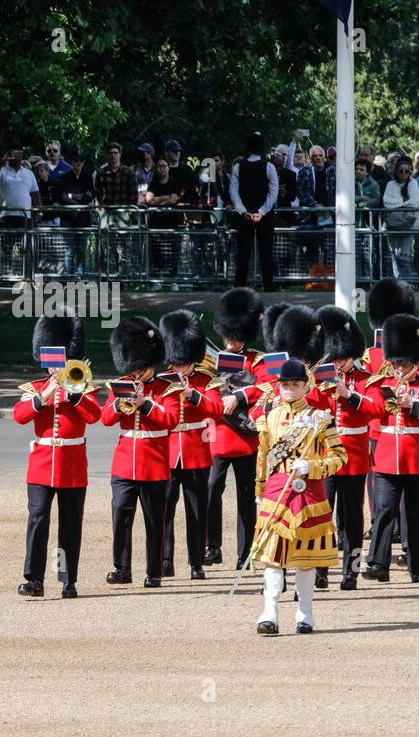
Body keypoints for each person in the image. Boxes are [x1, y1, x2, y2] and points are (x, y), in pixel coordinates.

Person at [252, 359, 347, 635]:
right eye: (285, 385)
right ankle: (269, 612)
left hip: (309, 488)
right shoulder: (269, 417)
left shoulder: (320, 418)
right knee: (272, 555)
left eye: (295, 384)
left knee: (306, 557)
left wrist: (313, 467)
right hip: (277, 489)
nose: (289, 389)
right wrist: (260, 490)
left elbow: (340, 457)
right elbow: (263, 457)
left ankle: (305, 613)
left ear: (306, 386)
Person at [13, 315, 101, 599]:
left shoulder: (81, 386)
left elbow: (94, 415)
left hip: (72, 465)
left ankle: (68, 580)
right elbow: (20, 415)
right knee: (38, 519)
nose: (55, 367)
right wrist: (45, 395)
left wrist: (73, 393)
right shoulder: (35, 387)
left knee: (70, 524)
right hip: (41, 464)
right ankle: (34, 579)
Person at [356, 314, 419, 583]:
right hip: (386, 457)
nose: (398, 368)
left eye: (403, 363)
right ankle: (378, 563)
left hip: (417, 458)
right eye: (395, 362)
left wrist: (413, 406)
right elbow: (371, 410)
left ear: (414, 362)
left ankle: (417, 566)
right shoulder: (381, 385)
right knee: (383, 511)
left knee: (417, 515)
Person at [101, 316, 181, 588]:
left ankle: (154, 571)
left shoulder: (165, 389)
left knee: (154, 523)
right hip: (124, 465)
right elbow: (106, 418)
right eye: (134, 367)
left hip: (154, 465)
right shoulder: (121, 384)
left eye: (141, 368)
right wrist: (119, 403)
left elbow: (170, 419)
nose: (137, 373)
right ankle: (122, 568)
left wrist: (144, 403)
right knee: (121, 518)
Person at [307, 306, 373, 590]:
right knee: (323, 515)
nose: (338, 364)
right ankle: (321, 569)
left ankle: (351, 571)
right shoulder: (320, 379)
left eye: (342, 359)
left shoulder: (365, 378)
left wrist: (350, 395)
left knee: (353, 519)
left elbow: (376, 409)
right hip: (325, 455)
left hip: (354, 457)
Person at [206, 287, 273, 569]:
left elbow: (268, 385)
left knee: (247, 497)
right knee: (211, 490)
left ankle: (245, 552)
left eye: (235, 335)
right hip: (220, 435)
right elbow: (206, 387)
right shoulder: (214, 360)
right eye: (228, 335)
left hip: (246, 437)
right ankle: (213, 546)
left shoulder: (257, 360)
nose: (230, 340)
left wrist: (240, 396)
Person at [159, 310, 223, 580]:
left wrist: (192, 394)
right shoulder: (163, 379)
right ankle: (164, 560)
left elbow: (217, 409)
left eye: (183, 363)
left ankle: (196, 562)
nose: (178, 368)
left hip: (196, 451)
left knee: (197, 512)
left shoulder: (206, 379)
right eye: (176, 362)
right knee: (164, 511)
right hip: (169, 452)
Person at [229, 132, 279, 291]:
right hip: (265, 216)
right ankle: (269, 289)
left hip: (245, 216)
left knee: (243, 254)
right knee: (266, 254)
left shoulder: (238, 167)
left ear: (248, 148)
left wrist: (244, 212)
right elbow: (273, 193)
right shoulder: (269, 167)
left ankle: (238, 289)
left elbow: (233, 193)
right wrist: (262, 211)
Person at [382, 158, 419, 278]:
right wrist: (404, 202)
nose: (404, 173)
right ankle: (398, 281)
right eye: (401, 171)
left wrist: (398, 205)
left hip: (408, 224)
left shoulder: (413, 183)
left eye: (407, 171)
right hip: (393, 224)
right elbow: (386, 202)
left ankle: (407, 281)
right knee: (394, 255)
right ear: (396, 172)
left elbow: (416, 201)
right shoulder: (390, 184)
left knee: (405, 254)